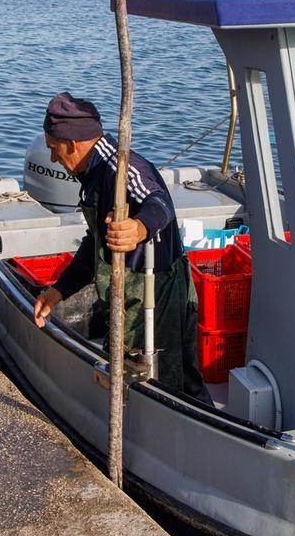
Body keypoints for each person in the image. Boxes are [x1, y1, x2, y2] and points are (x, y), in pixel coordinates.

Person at [32, 92, 210, 402]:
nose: (52, 159)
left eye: (54, 149)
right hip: (124, 293)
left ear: (72, 144)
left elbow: (159, 203)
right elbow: (95, 246)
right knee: (143, 372)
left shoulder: (122, 167)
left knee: (167, 379)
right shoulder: (91, 173)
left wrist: (139, 228)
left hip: (157, 293)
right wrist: (58, 291)